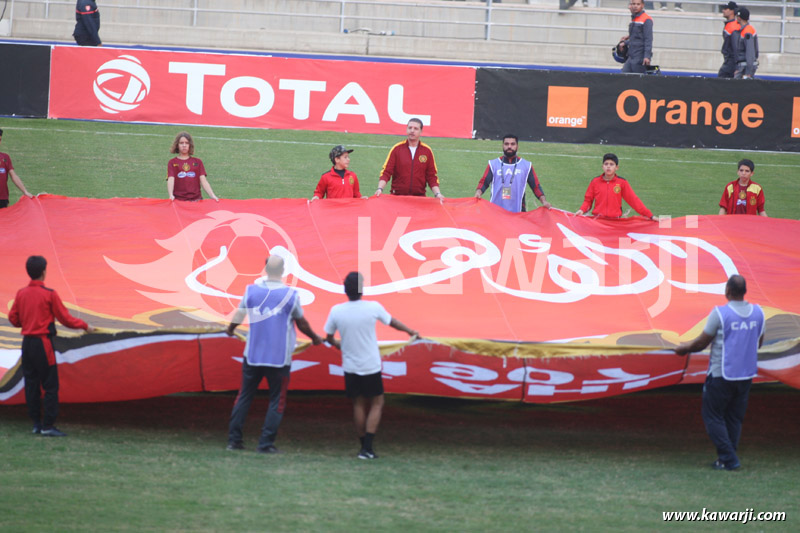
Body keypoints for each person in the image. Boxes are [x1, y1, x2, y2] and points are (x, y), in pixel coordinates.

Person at [226, 255, 322, 453]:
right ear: (283, 271)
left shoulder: (251, 291)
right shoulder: (290, 295)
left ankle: (234, 441)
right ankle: (265, 443)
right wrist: (315, 338)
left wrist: (230, 329)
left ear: (266, 269)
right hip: (279, 358)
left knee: (244, 396)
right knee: (277, 400)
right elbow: (302, 322)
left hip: (253, 355)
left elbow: (239, 314)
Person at [323, 272, 418, 460]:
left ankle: (363, 446)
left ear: (345, 290)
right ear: (362, 289)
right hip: (370, 365)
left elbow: (329, 337)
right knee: (377, 403)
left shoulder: (336, 311)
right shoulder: (373, 307)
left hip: (350, 365)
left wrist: (339, 344)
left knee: (358, 404)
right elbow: (393, 322)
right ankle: (367, 447)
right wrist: (411, 331)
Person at [675, 275, 764, 471]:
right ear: (745, 292)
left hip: (721, 374)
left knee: (712, 416)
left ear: (727, 291)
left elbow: (701, 343)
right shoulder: (759, 313)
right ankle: (726, 459)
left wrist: (683, 349)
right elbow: (759, 341)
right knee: (734, 418)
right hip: (746, 375)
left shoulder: (720, 314)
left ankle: (729, 458)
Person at [8, 256, 95, 437]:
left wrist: (27, 322)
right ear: (44, 272)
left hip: (27, 344)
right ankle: (48, 425)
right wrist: (85, 326)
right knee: (50, 385)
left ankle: (36, 424)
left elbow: (13, 318)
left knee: (31, 384)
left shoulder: (21, 293)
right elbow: (66, 319)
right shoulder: (49, 294)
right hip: (43, 343)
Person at [474, 134, 551, 213]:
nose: (509, 146)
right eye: (506, 144)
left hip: (518, 213)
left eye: (512, 144)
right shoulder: (493, 164)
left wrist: (544, 201)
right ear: (503, 146)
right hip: (495, 212)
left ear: (517, 146)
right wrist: (478, 193)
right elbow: (484, 182)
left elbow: (536, 186)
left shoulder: (526, 165)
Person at [376, 118, 444, 199]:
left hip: (419, 198)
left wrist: (437, 194)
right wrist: (380, 189)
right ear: (406, 129)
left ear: (421, 131)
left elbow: (431, 176)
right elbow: (386, 172)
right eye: (410, 128)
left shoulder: (427, 151)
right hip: (397, 197)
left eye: (415, 129)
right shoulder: (396, 149)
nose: (412, 131)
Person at [575, 153, 656, 219]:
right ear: (602, 167)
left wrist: (650, 216)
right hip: (598, 221)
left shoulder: (622, 182)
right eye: (606, 164)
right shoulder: (595, 182)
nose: (608, 166)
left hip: (615, 222)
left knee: (660, 224)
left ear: (616, 167)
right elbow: (588, 201)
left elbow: (634, 201)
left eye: (611, 164)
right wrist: (582, 210)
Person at [167, 132, 219, 202]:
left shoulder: (198, 162)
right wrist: (170, 195)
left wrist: (212, 195)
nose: (184, 145)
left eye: (186, 143)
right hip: (179, 201)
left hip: (196, 200)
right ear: (177, 145)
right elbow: (171, 179)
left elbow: (203, 181)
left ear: (190, 145)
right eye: (181, 143)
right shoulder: (172, 162)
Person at [0, 128, 34, 208]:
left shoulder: (5, 157)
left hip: (2, 199)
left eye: (0, 140)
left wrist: (25, 191)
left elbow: (14, 176)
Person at [621, 0, 653, 74]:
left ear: (642, 5)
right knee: (624, 76)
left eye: (638, 4)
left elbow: (648, 39)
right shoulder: (634, 18)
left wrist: (647, 56)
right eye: (633, 4)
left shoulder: (646, 19)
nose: (635, 6)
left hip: (640, 56)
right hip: (631, 55)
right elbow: (635, 38)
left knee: (637, 79)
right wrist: (625, 42)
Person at [732, 7, 758, 79]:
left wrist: (748, 72)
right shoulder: (745, 30)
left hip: (745, 67)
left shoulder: (747, 31)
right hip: (743, 66)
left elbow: (750, 52)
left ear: (739, 18)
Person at [718, 2, 740, 78]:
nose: (723, 10)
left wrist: (737, 66)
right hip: (730, 60)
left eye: (725, 9)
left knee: (722, 77)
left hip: (732, 61)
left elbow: (736, 47)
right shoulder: (730, 25)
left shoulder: (734, 26)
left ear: (732, 11)